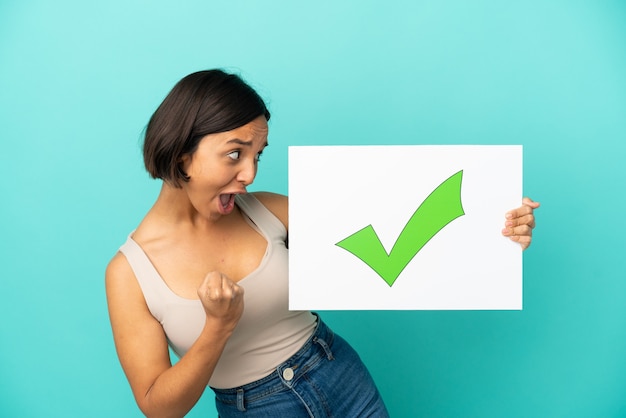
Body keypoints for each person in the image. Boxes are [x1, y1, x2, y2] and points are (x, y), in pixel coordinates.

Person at [105, 69, 540, 418]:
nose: (250, 174)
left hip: (340, 377)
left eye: (258, 154)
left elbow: (394, 232)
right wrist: (217, 327)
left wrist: (494, 230)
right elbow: (159, 406)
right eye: (235, 153)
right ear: (183, 153)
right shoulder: (129, 273)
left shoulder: (267, 211)